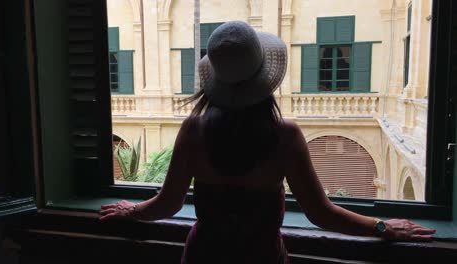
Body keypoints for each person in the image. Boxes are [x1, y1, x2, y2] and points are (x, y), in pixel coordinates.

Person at [99, 21, 435, 263]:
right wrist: (381, 226)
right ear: (265, 80)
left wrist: (132, 210)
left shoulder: (193, 131)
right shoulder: (284, 136)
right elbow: (320, 213)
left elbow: (167, 204)